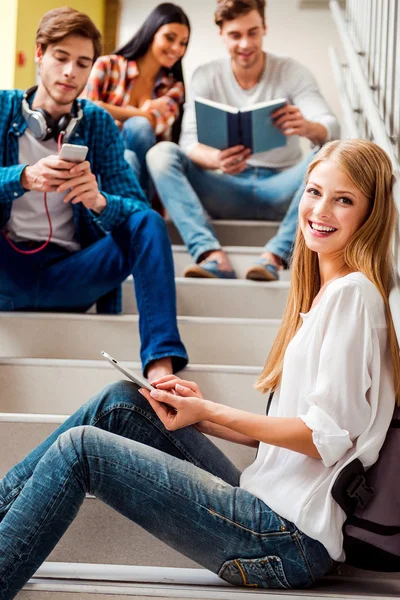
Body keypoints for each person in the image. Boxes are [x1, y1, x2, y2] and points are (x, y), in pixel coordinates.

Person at [1, 139, 398, 597]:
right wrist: (200, 414)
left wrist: (211, 409)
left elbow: (322, 439)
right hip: (265, 506)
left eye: (343, 199)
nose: (320, 210)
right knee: (123, 401)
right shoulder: (327, 297)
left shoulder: (354, 296)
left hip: (287, 539)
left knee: (82, 449)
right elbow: (285, 435)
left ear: (370, 214)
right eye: (313, 192)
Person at [0, 7, 188, 381]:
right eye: (61, 58)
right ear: (39, 54)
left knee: (148, 221)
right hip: (8, 270)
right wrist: (22, 177)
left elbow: (135, 207)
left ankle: (161, 367)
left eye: (83, 63)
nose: (71, 72)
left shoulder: (97, 122)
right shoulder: (3, 108)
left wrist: (98, 200)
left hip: (72, 275)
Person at [146, 0, 340, 280]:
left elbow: (330, 125)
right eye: (235, 35)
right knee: (160, 153)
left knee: (331, 150)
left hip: (283, 187)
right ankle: (211, 255)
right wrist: (216, 160)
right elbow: (188, 142)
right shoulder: (206, 75)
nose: (246, 43)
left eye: (253, 32)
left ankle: (275, 255)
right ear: (222, 35)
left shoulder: (291, 71)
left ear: (264, 28)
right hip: (226, 188)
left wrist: (309, 127)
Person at [82, 3, 190, 194]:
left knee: (138, 133)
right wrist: (142, 111)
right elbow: (88, 113)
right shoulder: (108, 66)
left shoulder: (174, 87)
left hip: (146, 177)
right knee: (128, 156)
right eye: (169, 38)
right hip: (101, 162)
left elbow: (156, 124)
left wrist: (109, 110)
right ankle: (137, 210)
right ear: (152, 33)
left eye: (183, 43)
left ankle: (137, 205)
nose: (176, 48)